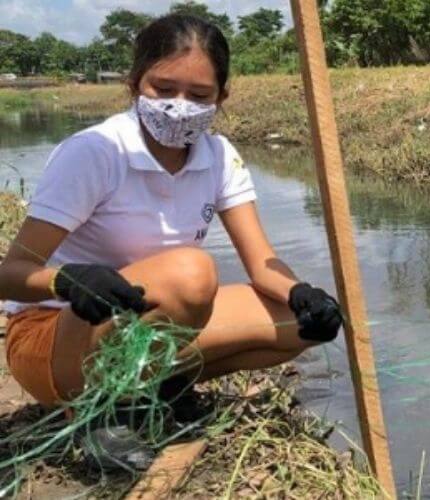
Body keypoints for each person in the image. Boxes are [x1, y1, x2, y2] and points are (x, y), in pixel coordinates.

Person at [0, 14, 342, 463]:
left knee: (295, 325)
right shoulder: (97, 152)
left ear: (221, 97)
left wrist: (301, 293)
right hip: (53, 339)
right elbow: (9, 274)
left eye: (198, 95)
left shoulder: (219, 158)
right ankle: (103, 409)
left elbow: (261, 263)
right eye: (162, 89)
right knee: (192, 273)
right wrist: (66, 282)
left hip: (139, 327)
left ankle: (156, 385)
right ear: (134, 84)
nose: (178, 105)